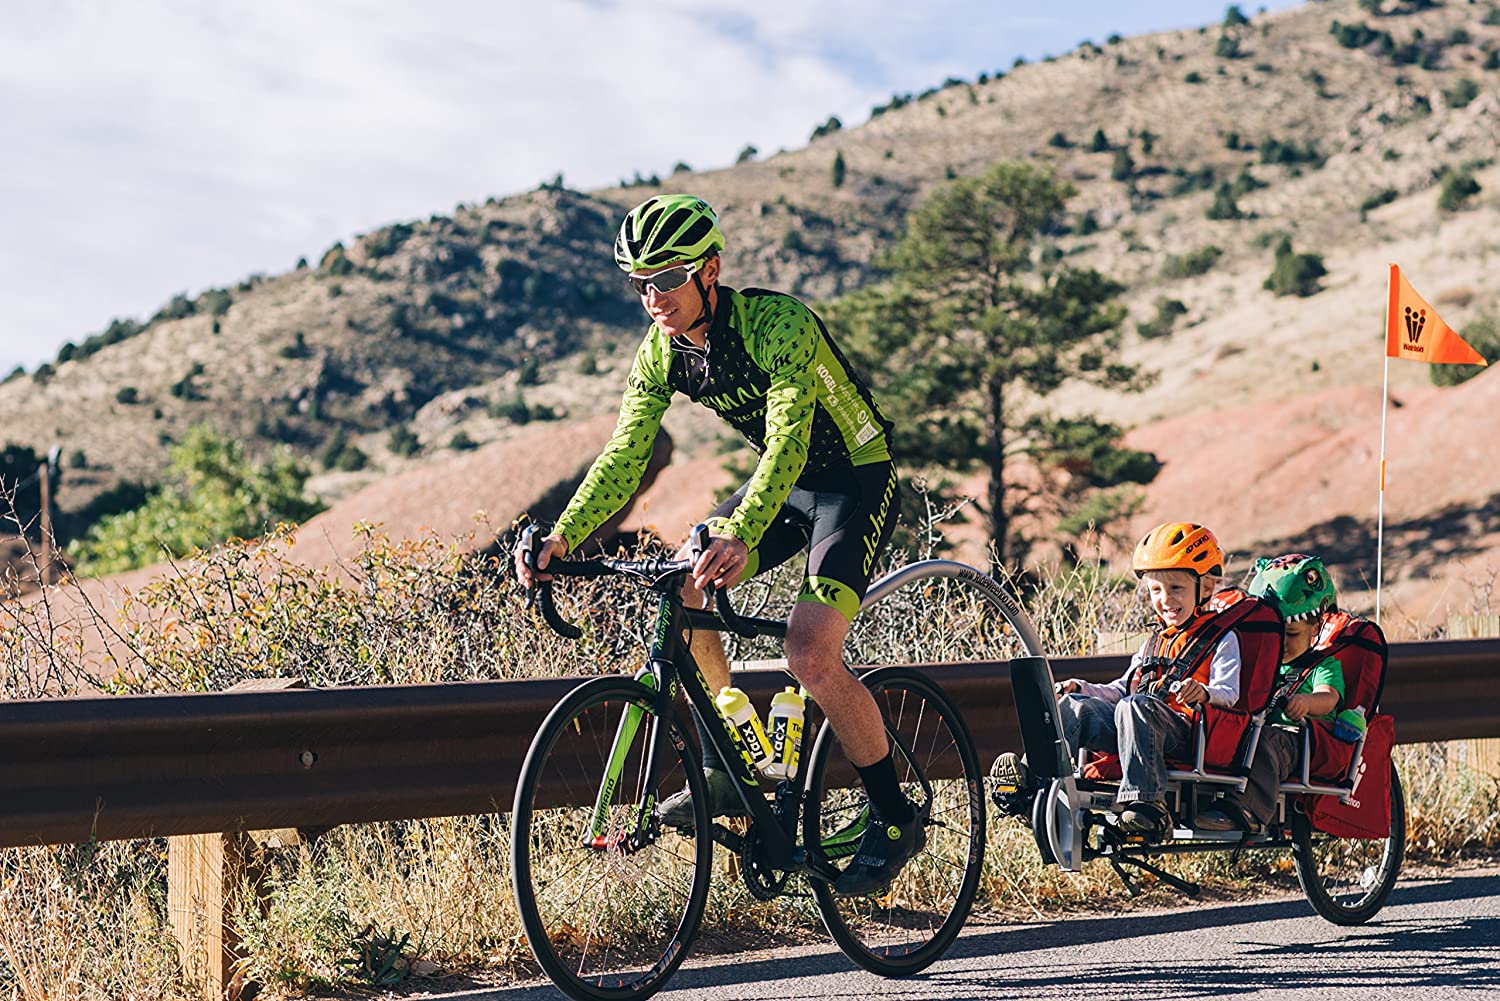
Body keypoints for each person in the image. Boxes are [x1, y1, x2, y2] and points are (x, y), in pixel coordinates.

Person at [513, 194, 913, 895]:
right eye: (639, 283)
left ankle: (893, 814)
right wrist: (563, 535)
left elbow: (789, 439)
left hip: (854, 479)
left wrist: (739, 530)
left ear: (710, 270)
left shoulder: (776, 324)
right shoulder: (661, 354)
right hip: (784, 487)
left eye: (667, 278)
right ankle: (733, 764)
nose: (653, 297)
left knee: (810, 653)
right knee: (683, 581)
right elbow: (624, 455)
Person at [993, 522, 1242, 839]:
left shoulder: (1222, 638)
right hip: (1134, 727)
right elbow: (1121, 690)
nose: (1165, 599)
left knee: (1135, 706)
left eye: (1176, 588)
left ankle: (1146, 804)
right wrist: (1081, 687)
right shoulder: (1153, 642)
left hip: (1184, 734)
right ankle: (1030, 782)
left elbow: (1230, 693)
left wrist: (1204, 693)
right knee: (1077, 707)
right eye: (1156, 590)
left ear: (1205, 589)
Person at [1195, 554, 1344, 831]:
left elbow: (1329, 696)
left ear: (1315, 629)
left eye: (1291, 634)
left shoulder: (1323, 664)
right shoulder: (1267, 664)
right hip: (1266, 734)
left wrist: (1307, 702)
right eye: (1276, 635)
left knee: (1266, 742)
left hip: (1303, 740)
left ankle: (1249, 809)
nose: (1282, 643)